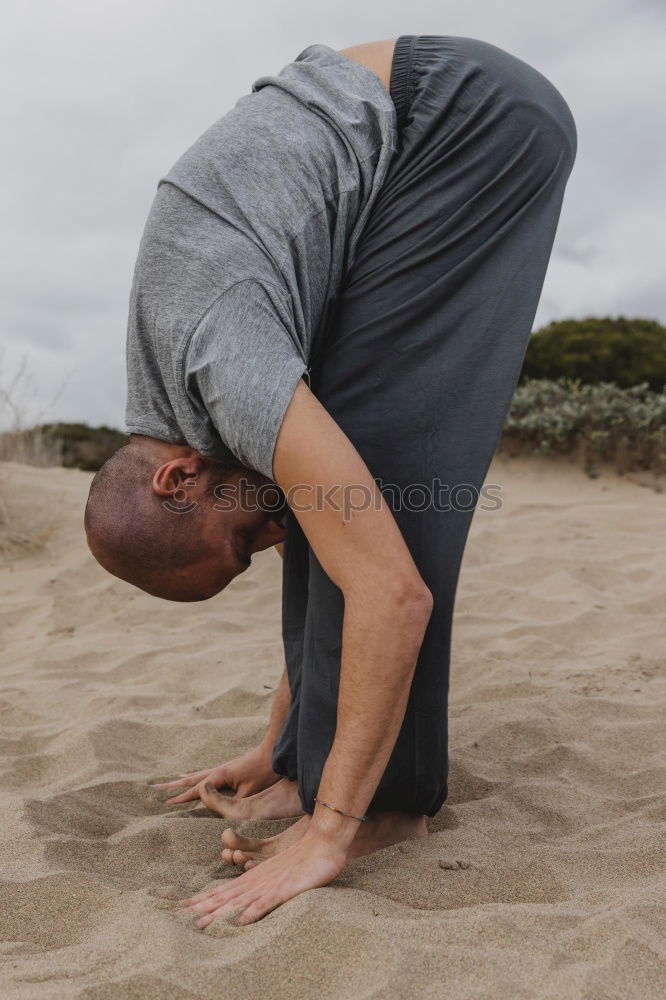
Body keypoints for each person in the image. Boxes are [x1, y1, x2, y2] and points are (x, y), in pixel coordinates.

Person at [84, 35, 577, 927]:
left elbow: (392, 594)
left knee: (372, 484)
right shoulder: (199, 405)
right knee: (320, 501)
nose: (269, 543)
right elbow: (304, 531)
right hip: (422, 129)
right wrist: (279, 746)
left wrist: (331, 830)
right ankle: (312, 761)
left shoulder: (224, 365)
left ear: (174, 478)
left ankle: (380, 801)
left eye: (240, 542)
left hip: (461, 121)